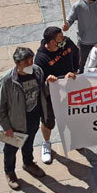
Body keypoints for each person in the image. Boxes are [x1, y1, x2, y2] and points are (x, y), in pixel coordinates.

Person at [0, 46, 53, 190]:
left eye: (31, 60)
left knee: (29, 142)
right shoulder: (7, 80)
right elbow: (0, 107)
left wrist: (50, 83)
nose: (30, 64)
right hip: (16, 121)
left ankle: (28, 163)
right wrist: (6, 127)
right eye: (26, 62)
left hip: (33, 115)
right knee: (11, 149)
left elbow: (42, 91)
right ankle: (10, 172)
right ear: (18, 63)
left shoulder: (37, 71)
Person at [33, 27, 78, 165]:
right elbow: (39, 80)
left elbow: (77, 55)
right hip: (51, 96)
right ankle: (46, 144)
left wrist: (75, 71)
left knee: (73, 114)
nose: (64, 39)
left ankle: (75, 138)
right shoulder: (41, 58)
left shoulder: (68, 43)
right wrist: (50, 79)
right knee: (48, 121)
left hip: (69, 91)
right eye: (60, 38)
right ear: (52, 42)